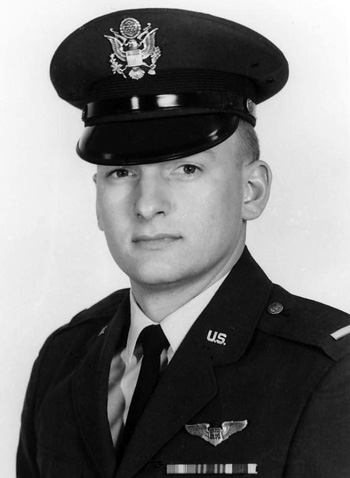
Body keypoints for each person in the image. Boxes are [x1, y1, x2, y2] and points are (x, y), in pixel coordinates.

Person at [17, 8, 350, 478]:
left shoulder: (329, 374)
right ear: (97, 201)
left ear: (251, 192)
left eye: (187, 169)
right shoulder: (63, 361)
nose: (147, 203)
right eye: (121, 172)